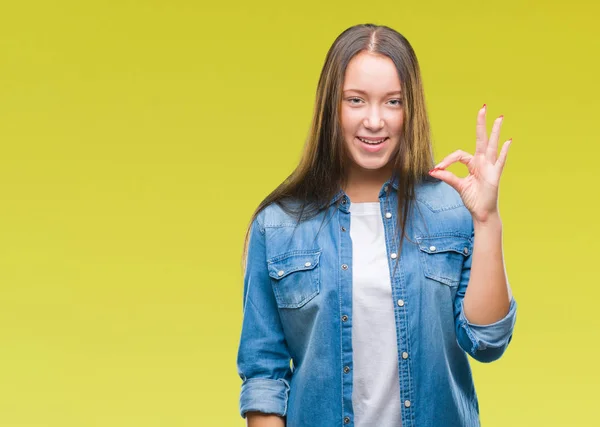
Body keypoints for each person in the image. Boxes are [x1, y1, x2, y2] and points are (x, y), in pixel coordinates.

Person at [236, 23, 517, 427]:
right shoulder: (278, 226)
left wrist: (487, 220)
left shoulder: (451, 210)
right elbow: (264, 375)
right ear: (331, 106)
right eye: (356, 100)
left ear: (411, 110)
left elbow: (488, 341)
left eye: (393, 102)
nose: (374, 121)